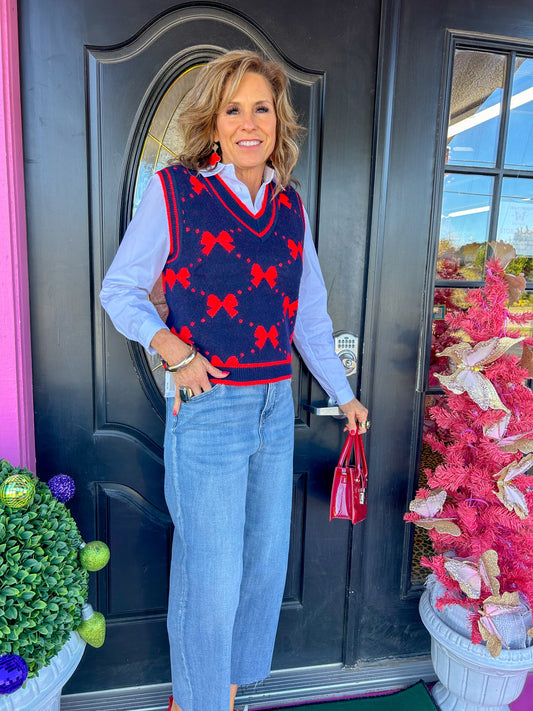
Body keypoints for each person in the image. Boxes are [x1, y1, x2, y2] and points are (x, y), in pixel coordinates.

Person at [100, 49, 369, 711]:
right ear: (214, 123)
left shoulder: (290, 210)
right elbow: (120, 289)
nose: (250, 121)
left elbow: (308, 316)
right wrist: (171, 348)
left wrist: (342, 392)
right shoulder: (175, 193)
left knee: (260, 561)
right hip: (209, 405)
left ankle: (219, 688)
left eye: (262, 109)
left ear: (278, 123)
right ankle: (194, 701)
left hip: (275, 406)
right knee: (211, 572)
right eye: (234, 108)